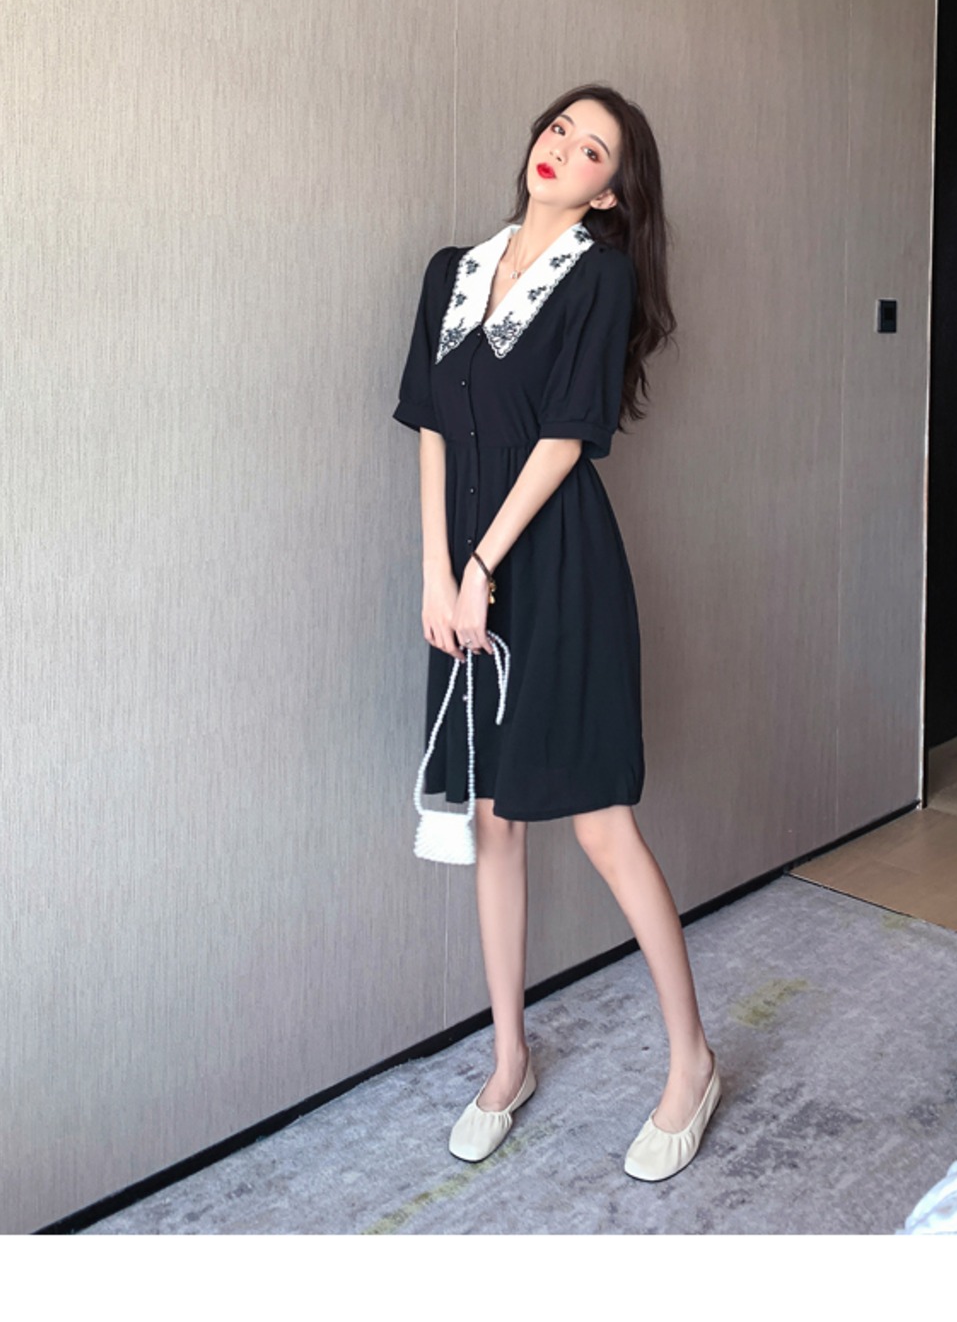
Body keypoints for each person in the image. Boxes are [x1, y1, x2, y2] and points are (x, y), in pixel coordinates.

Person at [392, 84, 720, 1182]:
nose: (563, 148)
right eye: (559, 128)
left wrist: (483, 566)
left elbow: (567, 438)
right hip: (465, 575)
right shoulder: (452, 270)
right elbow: (432, 426)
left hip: (556, 566)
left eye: (592, 149)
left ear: (610, 192)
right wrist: (438, 572)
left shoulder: (598, 276)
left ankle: (691, 1063)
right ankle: (508, 1060)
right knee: (493, 822)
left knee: (599, 827)